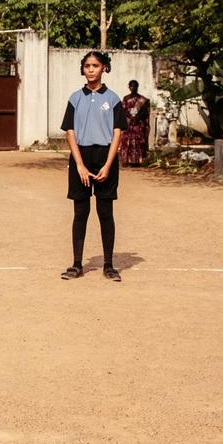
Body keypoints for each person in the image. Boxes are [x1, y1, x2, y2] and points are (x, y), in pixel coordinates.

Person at [60, 50, 126, 282]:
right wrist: (78, 164)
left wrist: (108, 165)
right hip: (81, 156)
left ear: (104, 68)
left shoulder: (114, 99)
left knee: (105, 212)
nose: (90, 69)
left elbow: (117, 133)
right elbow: (70, 131)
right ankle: (77, 264)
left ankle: (109, 265)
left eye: (95, 65)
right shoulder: (75, 98)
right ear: (83, 69)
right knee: (81, 212)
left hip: (105, 156)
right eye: (87, 66)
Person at [120, 79, 149, 167]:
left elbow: (145, 111)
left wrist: (137, 118)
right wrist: (131, 117)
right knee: (126, 142)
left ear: (137, 87)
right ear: (129, 87)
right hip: (128, 124)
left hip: (138, 124)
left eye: (135, 86)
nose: (133, 88)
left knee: (138, 142)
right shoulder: (126, 98)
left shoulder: (142, 100)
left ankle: (137, 161)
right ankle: (126, 161)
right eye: (131, 86)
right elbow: (123, 110)